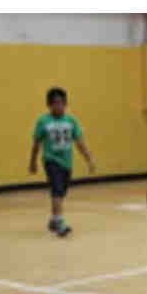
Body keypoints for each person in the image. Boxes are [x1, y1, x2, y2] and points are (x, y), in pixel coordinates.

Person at [28, 87, 95, 237]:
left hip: (66, 162)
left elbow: (79, 142)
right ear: (49, 105)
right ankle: (59, 222)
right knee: (57, 189)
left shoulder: (71, 121)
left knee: (62, 191)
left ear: (65, 104)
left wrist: (88, 159)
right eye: (55, 103)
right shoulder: (43, 121)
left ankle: (53, 219)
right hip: (51, 160)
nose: (58, 106)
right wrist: (32, 161)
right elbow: (36, 143)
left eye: (61, 103)